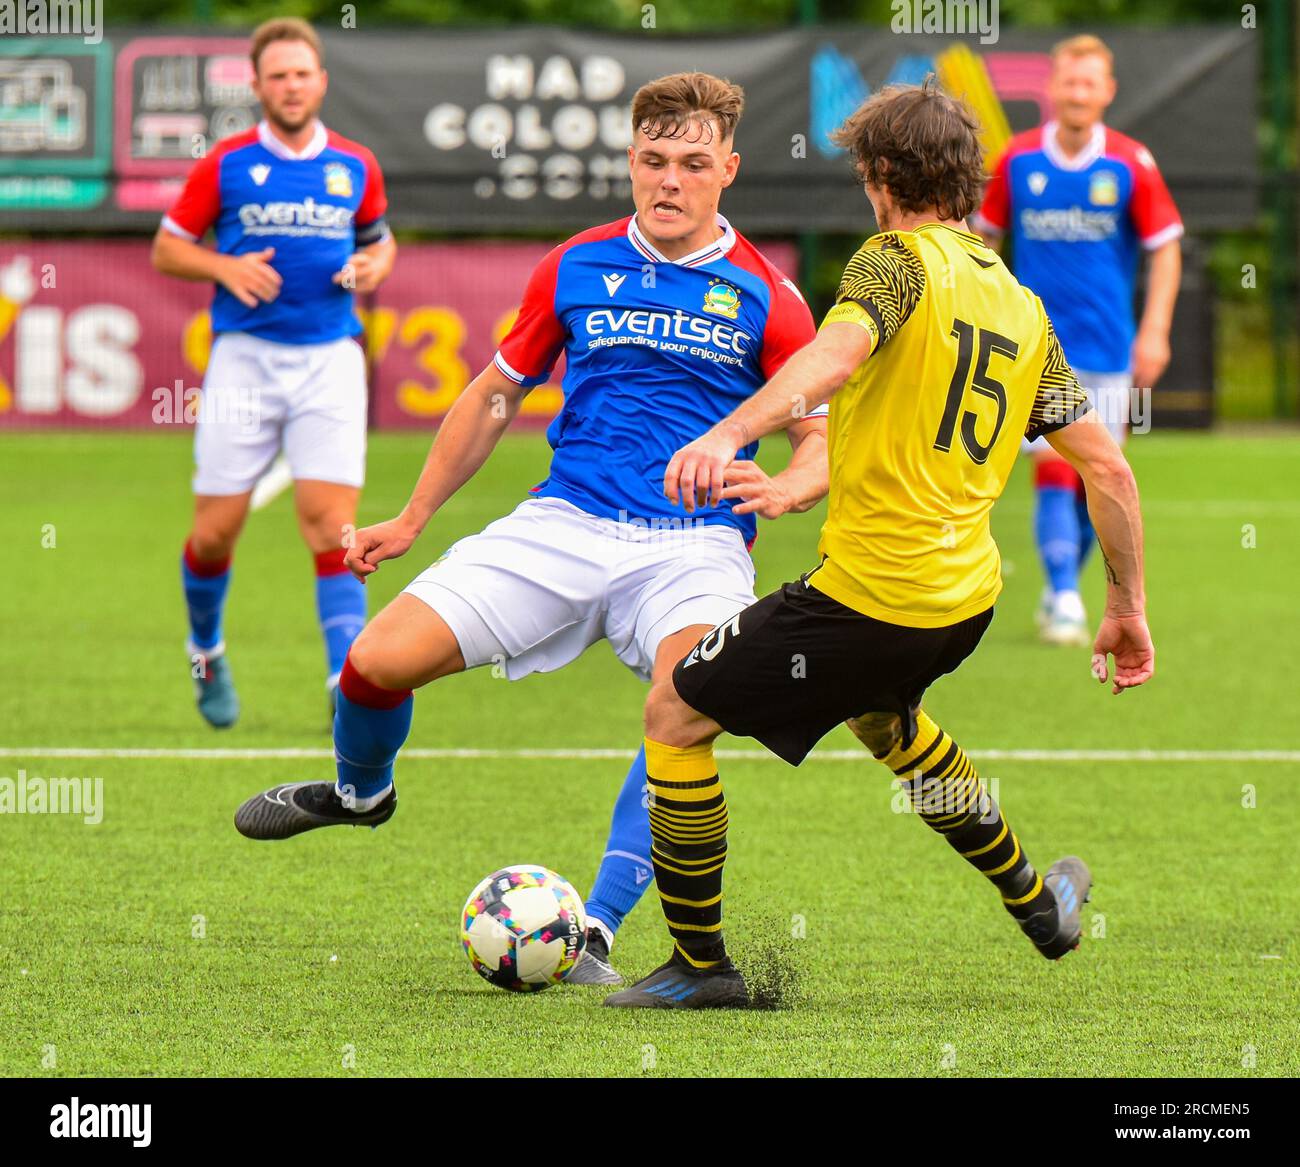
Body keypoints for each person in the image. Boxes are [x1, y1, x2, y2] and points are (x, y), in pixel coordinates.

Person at [231, 73, 828, 988]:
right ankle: (361, 794)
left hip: (694, 544)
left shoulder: (771, 296)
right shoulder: (575, 263)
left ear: (729, 172)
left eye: (693, 164)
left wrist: (787, 486)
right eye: (654, 161)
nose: (670, 180)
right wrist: (412, 517)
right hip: (564, 521)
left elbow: (818, 441)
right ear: (632, 163)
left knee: (683, 704)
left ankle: (597, 924)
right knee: (375, 664)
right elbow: (493, 395)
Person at [602, 79, 1155, 1010]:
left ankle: (701, 967)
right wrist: (1127, 608)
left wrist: (729, 433)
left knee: (674, 710)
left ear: (881, 176)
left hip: (871, 600)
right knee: (884, 721)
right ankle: (1040, 905)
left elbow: (835, 355)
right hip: (963, 603)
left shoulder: (894, 262)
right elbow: (1110, 471)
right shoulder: (1020, 307)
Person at [152, 17, 395, 727]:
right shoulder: (226, 163)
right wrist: (222, 265)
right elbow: (168, 249)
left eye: (303, 73)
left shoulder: (355, 164)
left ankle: (344, 681)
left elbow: (381, 244)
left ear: (321, 81)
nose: (291, 86)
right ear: (257, 86)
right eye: (278, 75)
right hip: (244, 362)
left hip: (330, 361)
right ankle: (206, 650)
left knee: (333, 527)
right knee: (215, 533)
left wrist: (373, 266)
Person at [973, 35, 1181, 645]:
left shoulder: (1129, 162)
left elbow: (1165, 247)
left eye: (1090, 83)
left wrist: (1157, 330)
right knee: (1056, 473)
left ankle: (1061, 582)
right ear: (1052, 88)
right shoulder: (1017, 161)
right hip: (1035, 348)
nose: (1078, 93)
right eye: (1069, 81)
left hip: (1108, 349)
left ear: (1108, 92)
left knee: (1102, 475)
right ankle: (1065, 594)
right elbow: (980, 245)